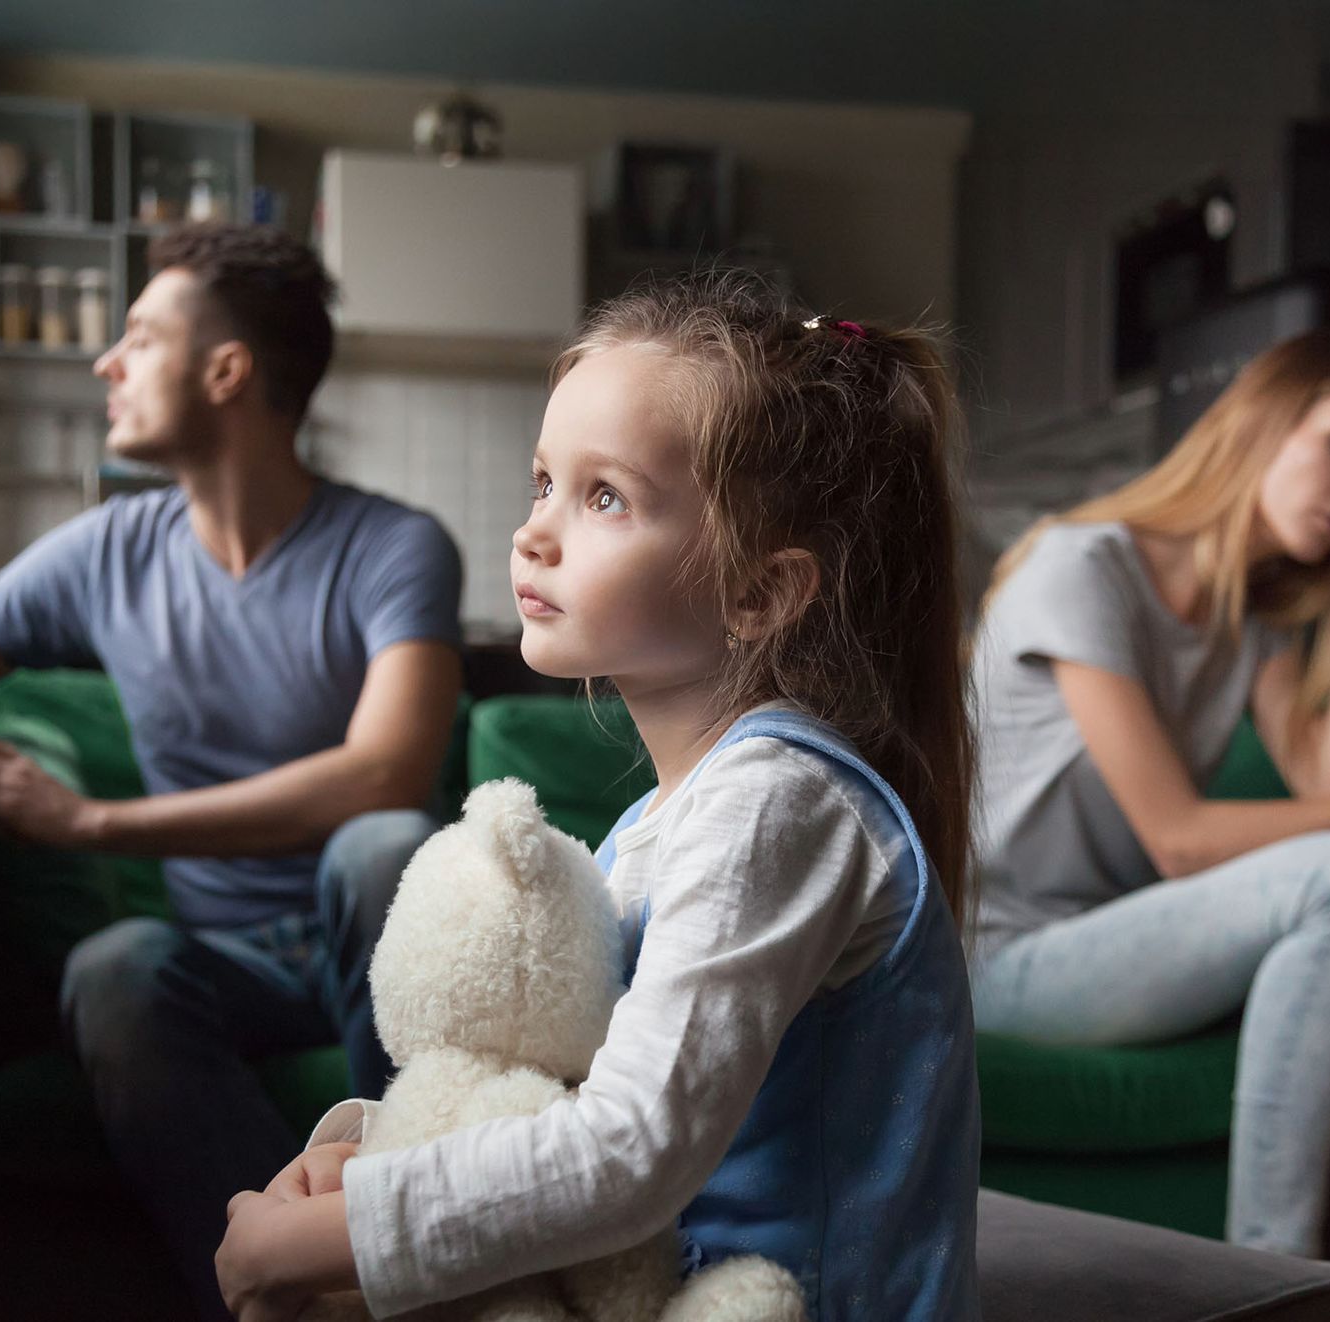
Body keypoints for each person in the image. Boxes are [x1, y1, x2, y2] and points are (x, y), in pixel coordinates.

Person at [213, 271, 983, 1321]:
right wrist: (359, 1159)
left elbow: (630, 1148)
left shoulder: (778, 805)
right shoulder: (650, 831)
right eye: (542, 482)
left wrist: (324, 1233)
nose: (535, 531)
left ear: (759, 592)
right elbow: (558, 1092)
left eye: (605, 495)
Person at [0, 223, 464, 1319]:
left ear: (227, 371)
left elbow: (385, 774)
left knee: (384, 849)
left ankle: (407, 1241)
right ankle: (287, 1289)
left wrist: (89, 820)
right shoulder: (108, 550)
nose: (108, 362)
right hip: (225, 956)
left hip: (363, 940)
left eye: (139, 337)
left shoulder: (394, 545)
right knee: (115, 963)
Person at [968, 329, 1330, 1322]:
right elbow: (1178, 838)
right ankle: (1265, 1284)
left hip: (1117, 945)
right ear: (1263, 422)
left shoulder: (1251, 621)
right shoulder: (1080, 566)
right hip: (999, 957)